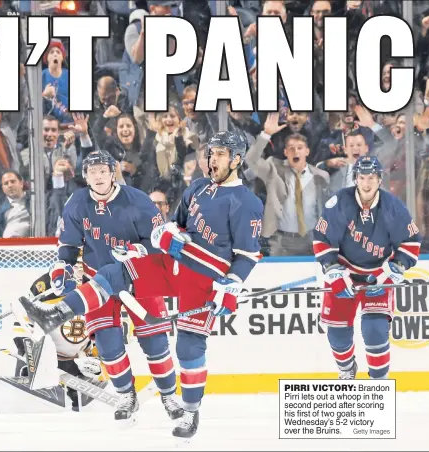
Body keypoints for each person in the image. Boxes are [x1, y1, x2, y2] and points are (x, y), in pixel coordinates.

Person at [20, 130, 264, 438]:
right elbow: (177, 224)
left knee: (187, 347)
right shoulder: (199, 187)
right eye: (210, 153)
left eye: (219, 154)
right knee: (114, 272)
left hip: (206, 277)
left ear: (237, 160)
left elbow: (248, 254)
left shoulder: (247, 203)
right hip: (173, 263)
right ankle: (54, 314)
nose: (211, 159)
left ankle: (188, 412)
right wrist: (166, 235)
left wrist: (232, 285)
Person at [46, 150, 182, 422]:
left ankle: (169, 396)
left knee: (154, 341)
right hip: (99, 280)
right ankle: (125, 396)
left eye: (102, 170)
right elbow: (70, 244)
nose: (98, 176)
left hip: (140, 275)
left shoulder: (138, 201)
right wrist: (63, 265)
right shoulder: (77, 202)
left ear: (112, 172)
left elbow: (159, 241)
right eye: (92, 171)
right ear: (85, 176)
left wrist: (134, 249)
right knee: (108, 344)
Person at [312, 156, 421, 380]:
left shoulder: (393, 206)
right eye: (362, 177)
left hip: (379, 274)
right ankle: (346, 369)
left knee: (375, 330)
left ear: (379, 179)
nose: (367, 183)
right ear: (356, 178)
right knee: (337, 334)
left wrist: (395, 269)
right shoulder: (340, 202)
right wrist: (334, 273)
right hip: (344, 271)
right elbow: (322, 240)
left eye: (371, 177)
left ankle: (378, 383)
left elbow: (411, 243)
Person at [13, 272, 104, 412]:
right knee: (29, 398)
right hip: (44, 359)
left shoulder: (97, 283)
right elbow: (24, 324)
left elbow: (105, 333)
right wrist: (29, 355)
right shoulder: (45, 284)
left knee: (81, 403)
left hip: (78, 361)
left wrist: (98, 361)